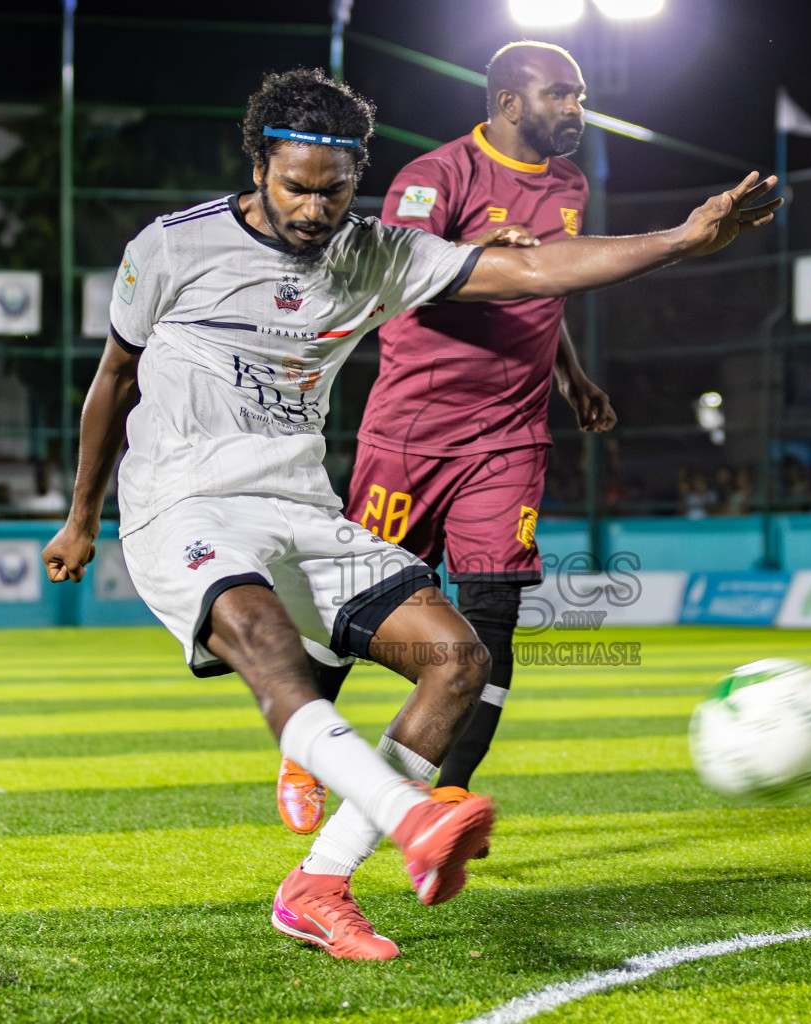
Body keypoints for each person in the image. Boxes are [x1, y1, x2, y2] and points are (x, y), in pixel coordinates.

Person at [40, 67, 779, 962]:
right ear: (261, 167)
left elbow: (535, 268)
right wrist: (80, 516)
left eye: (334, 190)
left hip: (300, 505)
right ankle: (405, 816)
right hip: (181, 502)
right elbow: (112, 380)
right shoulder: (169, 248)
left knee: (458, 661)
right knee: (270, 650)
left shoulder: (377, 252)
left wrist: (686, 238)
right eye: (295, 188)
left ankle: (317, 885)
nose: (314, 210)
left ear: (359, 177)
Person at [274, 41, 618, 841]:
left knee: (494, 610)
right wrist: (489, 258)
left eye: (579, 93)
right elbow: (395, 277)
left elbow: (548, 288)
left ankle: (448, 794)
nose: (574, 107)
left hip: (511, 434)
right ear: (508, 103)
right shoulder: (437, 177)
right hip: (413, 434)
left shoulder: (571, 183)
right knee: (354, 608)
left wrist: (572, 375)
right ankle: (305, 744)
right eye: (560, 94)